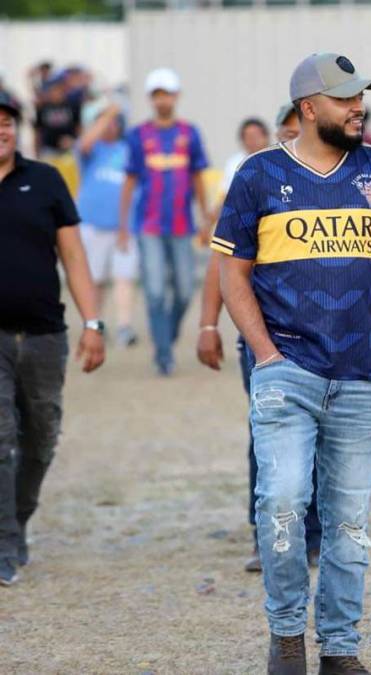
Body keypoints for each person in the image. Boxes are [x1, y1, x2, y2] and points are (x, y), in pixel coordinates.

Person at [214, 53, 371, 675]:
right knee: (280, 501)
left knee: (350, 524)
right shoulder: (258, 176)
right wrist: (267, 354)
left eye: (361, 98)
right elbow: (231, 272)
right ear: (309, 108)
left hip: (361, 381)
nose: (359, 108)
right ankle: (285, 637)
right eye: (345, 98)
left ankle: (339, 649)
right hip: (288, 374)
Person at [198, 111, 325, 575]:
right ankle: (267, 537)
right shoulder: (254, 181)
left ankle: (315, 535)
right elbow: (224, 263)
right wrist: (208, 324)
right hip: (264, 339)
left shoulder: (335, 184)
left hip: (327, 340)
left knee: (322, 439)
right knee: (268, 437)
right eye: (289, 132)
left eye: (302, 131)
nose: (297, 139)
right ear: (279, 135)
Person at [0, 92, 105, 587]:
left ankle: (16, 521)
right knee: (1, 441)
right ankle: (3, 543)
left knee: (40, 440)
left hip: (43, 336)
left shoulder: (45, 180)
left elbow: (75, 258)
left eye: (7, 122)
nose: (1, 130)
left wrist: (93, 323)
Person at [119, 67, 211, 376]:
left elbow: (198, 176)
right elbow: (130, 182)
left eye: (167, 93)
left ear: (176, 96)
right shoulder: (138, 135)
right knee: (155, 291)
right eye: (157, 94)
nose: (162, 100)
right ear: (150, 98)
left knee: (185, 290)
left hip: (183, 225)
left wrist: (205, 218)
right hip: (149, 226)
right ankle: (163, 353)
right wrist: (122, 226)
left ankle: (166, 337)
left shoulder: (190, 132)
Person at [76, 98, 140, 348]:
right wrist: (108, 112)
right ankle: (94, 323)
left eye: (115, 122)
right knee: (95, 278)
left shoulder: (127, 149)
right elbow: (85, 143)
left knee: (124, 277)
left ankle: (124, 325)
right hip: (92, 223)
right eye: (106, 122)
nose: (111, 126)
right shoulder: (91, 150)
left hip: (124, 225)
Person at [33, 74, 80, 159]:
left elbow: (78, 128)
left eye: (59, 90)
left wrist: (74, 141)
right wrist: (37, 152)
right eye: (53, 90)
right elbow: (38, 131)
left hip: (68, 150)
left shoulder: (72, 106)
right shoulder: (43, 108)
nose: (56, 93)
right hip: (49, 150)